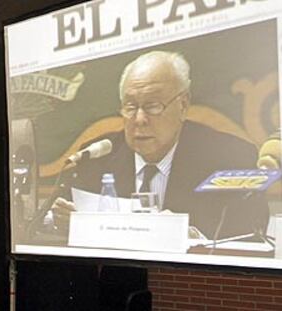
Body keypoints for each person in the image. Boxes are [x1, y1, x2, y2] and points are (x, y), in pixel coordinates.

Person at [52, 50, 269, 240]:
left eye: (153, 106)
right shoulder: (98, 158)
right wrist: (75, 224)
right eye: (130, 106)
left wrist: (190, 237)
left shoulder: (231, 157)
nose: (139, 119)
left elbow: (252, 229)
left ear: (183, 105)